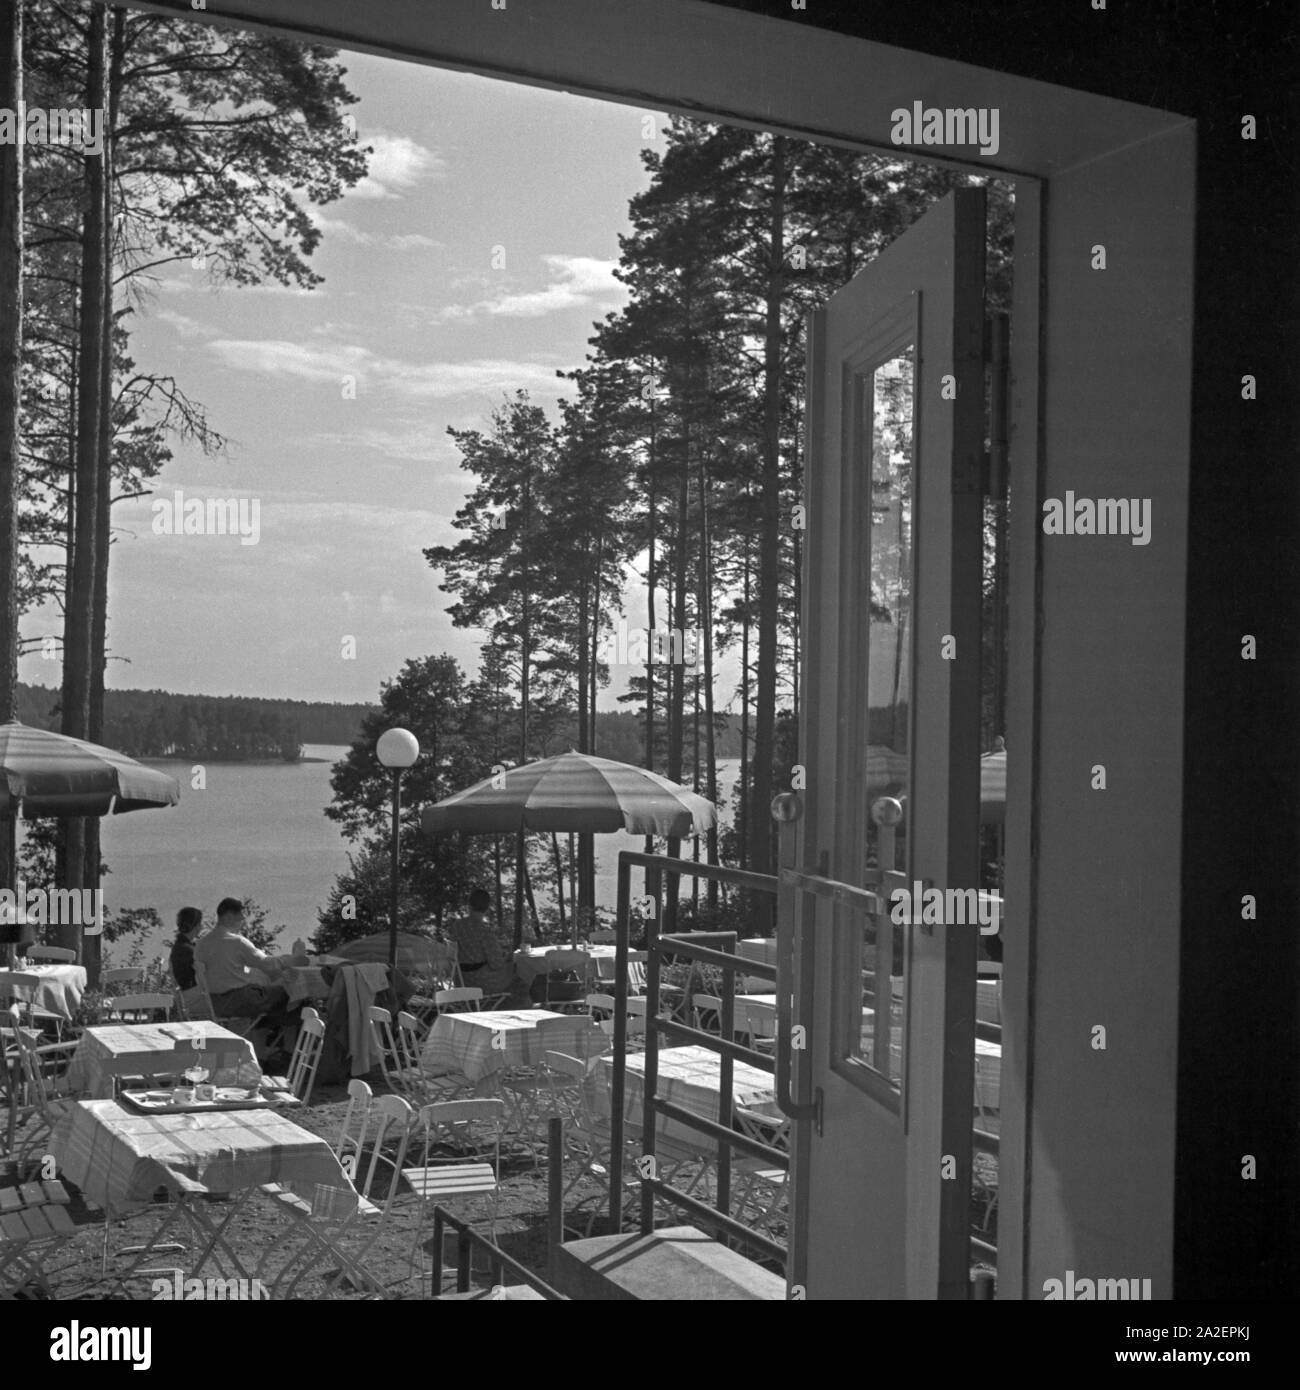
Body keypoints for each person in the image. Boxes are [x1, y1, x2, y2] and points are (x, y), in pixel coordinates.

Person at [193, 897, 290, 1028]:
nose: (243, 920)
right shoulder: (236, 942)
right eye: (240, 916)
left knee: (267, 994)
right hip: (237, 1002)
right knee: (288, 992)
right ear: (228, 917)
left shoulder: (201, 944)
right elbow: (267, 963)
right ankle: (278, 1040)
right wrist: (291, 959)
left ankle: (265, 1035)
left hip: (214, 1003)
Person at [446, 888, 512, 999]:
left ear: (469, 905)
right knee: (515, 970)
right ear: (487, 908)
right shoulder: (484, 930)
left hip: (460, 980)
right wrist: (506, 957)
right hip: (481, 983)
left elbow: (453, 953)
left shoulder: (458, 925)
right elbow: (496, 964)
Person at [169, 906, 203, 990]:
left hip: (187, 993)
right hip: (193, 995)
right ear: (194, 925)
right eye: (199, 924)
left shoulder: (180, 946)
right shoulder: (186, 950)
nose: (201, 927)